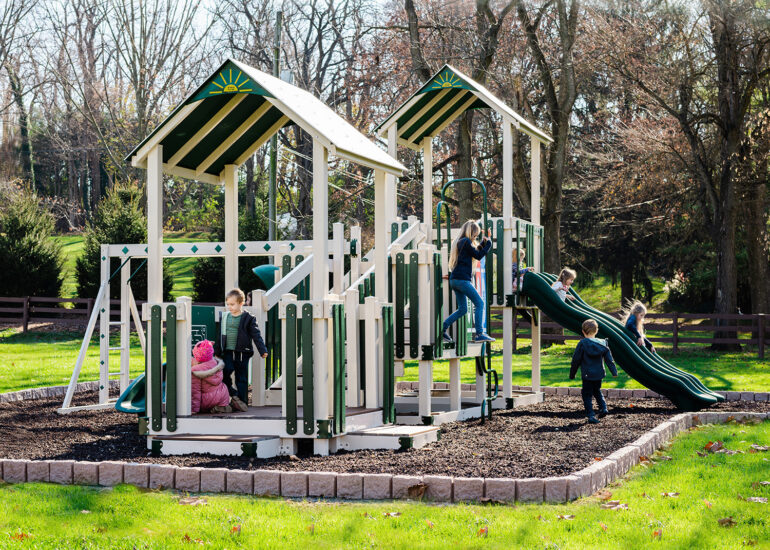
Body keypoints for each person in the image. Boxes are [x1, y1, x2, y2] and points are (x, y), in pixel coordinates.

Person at [441, 220, 495, 344]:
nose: (475, 238)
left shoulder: (461, 242)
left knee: (463, 309)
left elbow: (475, 251)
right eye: (475, 236)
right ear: (470, 232)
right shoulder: (465, 241)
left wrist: (484, 242)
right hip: (462, 280)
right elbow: (478, 255)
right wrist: (489, 244)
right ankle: (480, 334)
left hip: (455, 280)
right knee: (480, 303)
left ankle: (443, 328)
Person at [215, 288, 269, 406]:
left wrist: (262, 350)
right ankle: (233, 393)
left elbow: (256, 335)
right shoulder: (224, 317)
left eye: (232, 304)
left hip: (242, 353)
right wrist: (217, 352)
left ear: (241, 303)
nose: (229, 307)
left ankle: (242, 401)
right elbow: (220, 335)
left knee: (241, 377)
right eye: (228, 304)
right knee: (224, 373)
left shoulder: (248, 318)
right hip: (228, 352)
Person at [570, 319, 618, 424]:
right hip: (599, 374)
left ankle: (591, 415)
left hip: (587, 375)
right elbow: (609, 360)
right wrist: (614, 372)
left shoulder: (582, 344)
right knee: (597, 390)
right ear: (596, 331)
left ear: (583, 331)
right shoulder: (603, 343)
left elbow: (576, 360)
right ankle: (603, 408)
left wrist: (572, 374)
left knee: (586, 394)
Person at [190, 340, 240, 414]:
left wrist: (194, 409)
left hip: (208, 400)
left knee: (199, 397)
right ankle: (226, 406)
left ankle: (220, 408)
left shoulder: (195, 370)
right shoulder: (215, 363)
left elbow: (195, 392)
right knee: (220, 389)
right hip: (223, 395)